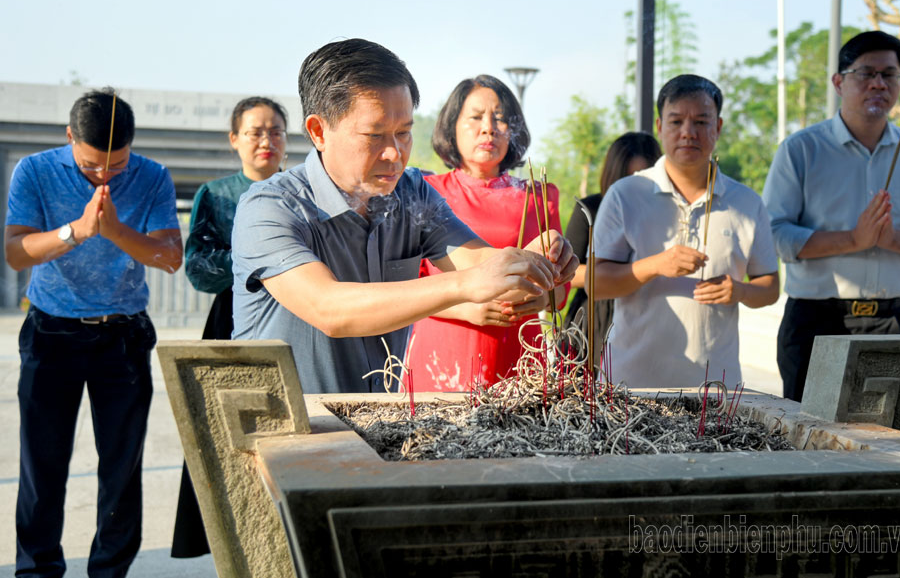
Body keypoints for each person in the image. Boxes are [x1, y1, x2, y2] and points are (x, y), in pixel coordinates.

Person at [230, 39, 577, 395]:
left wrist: (527, 269)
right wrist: (467, 284)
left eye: (404, 132)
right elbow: (329, 308)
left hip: (378, 426)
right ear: (319, 131)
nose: (395, 153)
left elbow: (474, 259)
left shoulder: (411, 193)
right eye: (375, 135)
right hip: (284, 433)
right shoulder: (269, 208)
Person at [5, 89, 182, 578]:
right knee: (42, 466)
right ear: (69, 139)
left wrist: (114, 230)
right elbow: (16, 253)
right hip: (50, 333)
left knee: (121, 470)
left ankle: (109, 572)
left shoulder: (151, 176)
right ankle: (36, 571)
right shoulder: (34, 171)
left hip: (122, 339)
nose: (104, 175)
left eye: (116, 164)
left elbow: (170, 257)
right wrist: (77, 230)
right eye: (91, 165)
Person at [762, 30, 900, 402]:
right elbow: (775, 235)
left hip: (893, 321)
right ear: (838, 82)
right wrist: (854, 239)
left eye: (889, 74)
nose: (878, 84)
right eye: (866, 73)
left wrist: (893, 239)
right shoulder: (801, 150)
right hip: (817, 320)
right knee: (811, 447)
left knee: (896, 450)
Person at [593, 75, 779, 389]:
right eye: (676, 121)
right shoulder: (626, 193)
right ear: (659, 125)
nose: (688, 133)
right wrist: (654, 265)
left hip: (715, 388)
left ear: (718, 127)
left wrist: (741, 291)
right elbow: (597, 284)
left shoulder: (746, 203)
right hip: (629, 384)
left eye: (701, 121)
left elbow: (770, 286)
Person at [170, 96, 289, 559]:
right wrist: (262, 260)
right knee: (226, 436)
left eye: (275, 130)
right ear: (234, 139)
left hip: (297, 318)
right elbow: (198, 268)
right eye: (255, 131)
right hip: (229, 321)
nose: (266, 140)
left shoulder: (304, 188)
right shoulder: (216, 194)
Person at [405, 75, 562, 391]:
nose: (488, 128)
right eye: (475, 117)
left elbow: (559, 289)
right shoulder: (424, 191)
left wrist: (544, 297)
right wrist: (468, 308)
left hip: (519, 349)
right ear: (452, 126)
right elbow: (405, 287)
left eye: (500, 118)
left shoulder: (540, 196)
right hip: (445, 346)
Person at [563, 131, 661, 364]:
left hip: (646, 316)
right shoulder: (590, 208)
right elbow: (566, 272)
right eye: (625, 178)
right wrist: (610, 276)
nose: (631, 187)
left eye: (642, 177)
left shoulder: (664, 213)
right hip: (594, 320)